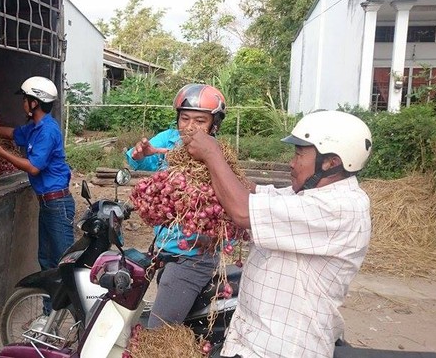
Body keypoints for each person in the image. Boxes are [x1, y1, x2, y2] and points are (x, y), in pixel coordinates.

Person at [182, 110, 373, 358]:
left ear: (331, 163)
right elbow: (251, 194)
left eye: (299, 154)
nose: (292, 163)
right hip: (250, 342)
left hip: (280, 348)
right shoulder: (305, 195)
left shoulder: (340, 207)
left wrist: (212, 154)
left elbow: (242, 209)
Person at [125, 83, 227, 328]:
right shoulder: (169, 138)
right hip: (165, 247)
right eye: (184, 118)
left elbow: (229, 208)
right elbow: (143, 161)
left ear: (214, 125)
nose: (190, 127)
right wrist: (140, 155)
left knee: (159, 332)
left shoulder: (217, 155)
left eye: (200, 121)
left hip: (191, 256)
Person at [0, 76, 74, 314]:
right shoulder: (35, 128)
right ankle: (49, 316)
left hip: (58, 204)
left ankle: (81, 319)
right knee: (46, 261)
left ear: (35, 103)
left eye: (25, 99)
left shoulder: (47, 131)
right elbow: (14, 133)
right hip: (48, 204)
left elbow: (34, 167)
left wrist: (2, 153)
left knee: (66, 263)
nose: (23, 103)